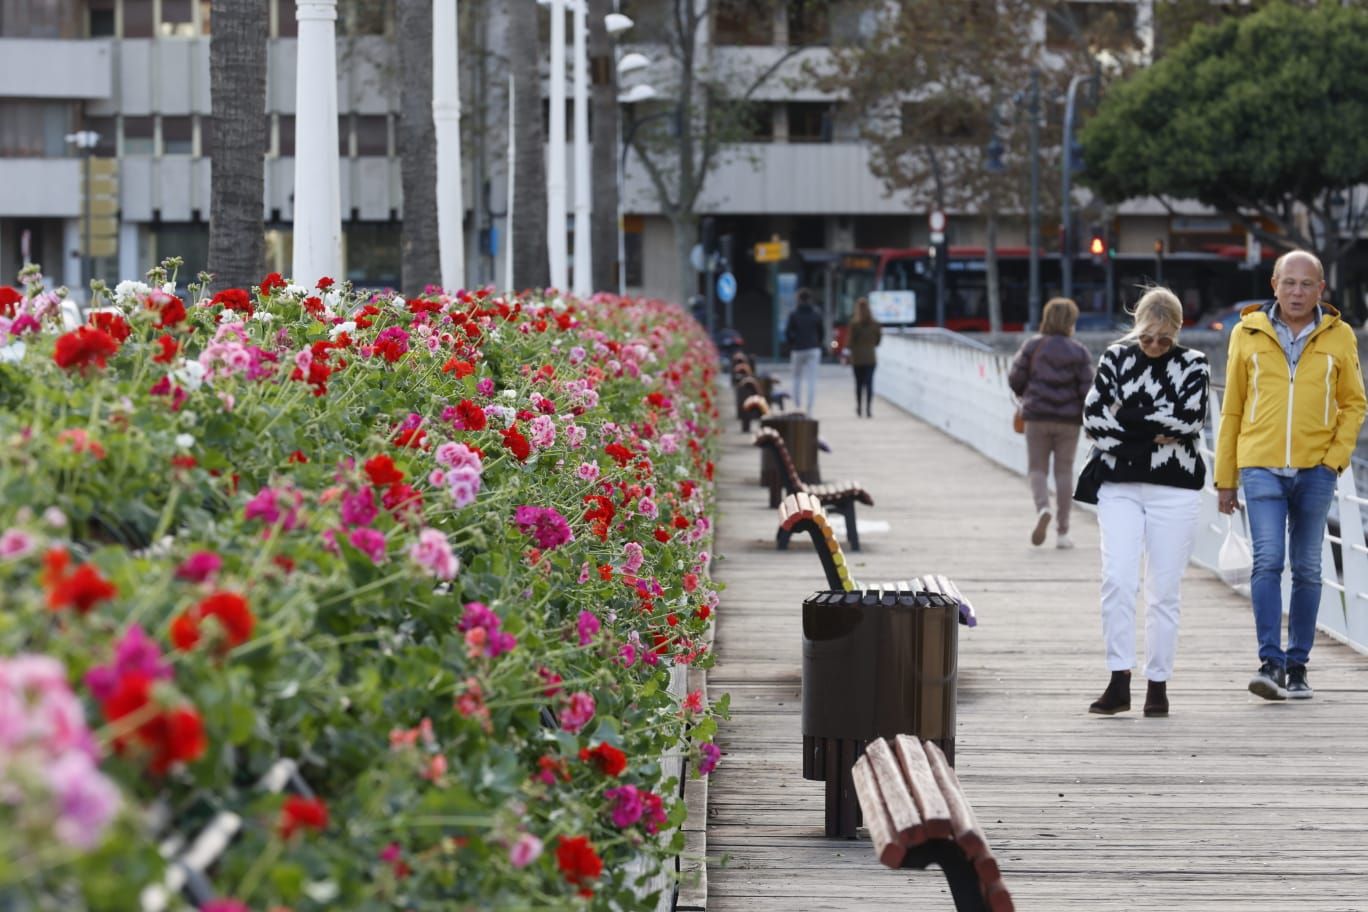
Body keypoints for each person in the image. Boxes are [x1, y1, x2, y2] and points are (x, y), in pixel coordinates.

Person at [1215, 250, 1366, 701]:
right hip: (1259, 466)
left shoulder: (1339, 337)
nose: (1297, 292)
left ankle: (1298, 665)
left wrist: (1333, 459)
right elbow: (1232, 408)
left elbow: (1355, 403)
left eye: (1307, 284)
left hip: (1316, 469)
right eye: (1289, 283)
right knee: (1267, 561)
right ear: (1274, 285)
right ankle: (1270, 663)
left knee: (1308, 568)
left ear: (1322, 289)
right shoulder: (1246, 333)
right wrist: (1226, 479)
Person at [1080, 287, 1209, 717]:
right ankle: (1119, 679)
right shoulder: (1116, 358)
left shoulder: (1194, 364)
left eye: (1164, 339)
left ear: (1177, 331)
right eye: (1147, 338)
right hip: (1118, 484)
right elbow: (1094, 418)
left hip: (1175, 488)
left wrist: (1128, 417)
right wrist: (1151, 429)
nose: (1154, 347)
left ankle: (1158, 684)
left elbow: (1190, 419)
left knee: (1163, 591)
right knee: (1116, 579)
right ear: (1137, 329)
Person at [1008, 297, 1093, 549]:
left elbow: (1015, 379)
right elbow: (1088, 391)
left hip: (1037, 417)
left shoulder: (1033, 346)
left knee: (1037, 469)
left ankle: (1043, 507)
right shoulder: (1079, 351)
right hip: (1068, 421)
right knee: (1064, 472)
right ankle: (1063, 533)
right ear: (1071, 322)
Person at [785, 288, 824, 414]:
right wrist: (817, 343)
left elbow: (788, 332)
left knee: (796, 378)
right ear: (810, 299)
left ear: (799, 299)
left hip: (798, 349)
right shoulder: (816, 314)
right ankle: (810, 408)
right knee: (811, 379)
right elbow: (821, 332)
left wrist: (793, 343)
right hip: (813, 348)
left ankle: (797, 406)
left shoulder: (794, 314)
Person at [846, 296, 882, 417]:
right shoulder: (875, 324)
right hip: (871, 358)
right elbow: (878, 341)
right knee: (869, 383)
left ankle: (859, 408)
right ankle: (869, 409)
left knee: (859, 384)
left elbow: (850, 342)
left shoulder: (854, 324)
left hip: (857, 358)